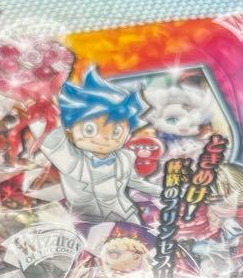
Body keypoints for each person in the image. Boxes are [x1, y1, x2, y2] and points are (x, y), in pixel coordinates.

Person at [33, 66, 160, 223]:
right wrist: (43, 106)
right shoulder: (73, 160)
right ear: (69, 131)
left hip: (125, 215)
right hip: (86, 220)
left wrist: (162, 192)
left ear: (127, 135)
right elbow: (52, 140)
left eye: (116, 131)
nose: (104, 138)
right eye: (90, 129)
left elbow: (135, 181)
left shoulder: (125, 157)